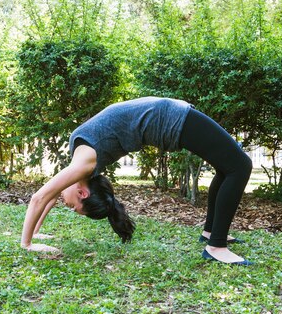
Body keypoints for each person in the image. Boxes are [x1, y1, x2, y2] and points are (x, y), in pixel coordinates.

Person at [20, 97, 253, 265]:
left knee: (237, 166)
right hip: (168, 117)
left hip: (169, 117)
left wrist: (27, 244)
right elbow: (49, 195)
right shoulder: (82, 166)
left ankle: (215, 243)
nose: (64, 202)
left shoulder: (84, 163)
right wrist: (37, 233)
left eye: (71, 206)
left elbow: (39, 197)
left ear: (83, 193)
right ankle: (213, 238)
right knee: (235, 166)